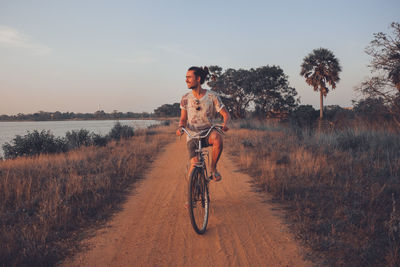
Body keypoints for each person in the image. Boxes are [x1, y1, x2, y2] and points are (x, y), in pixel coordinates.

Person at [176, 66, 230, 181]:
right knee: (194, 167)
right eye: (186, 77)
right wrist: (180, 127)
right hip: (192, 135)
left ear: (198, 79)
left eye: (189, 77)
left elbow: (226, 114)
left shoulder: (212, 96)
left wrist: (225, 123)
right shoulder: (185, 98)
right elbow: (183, 119)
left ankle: (213, 169)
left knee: (217, 138)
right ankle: (191, 196)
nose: (186, 80)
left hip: (208, 133)